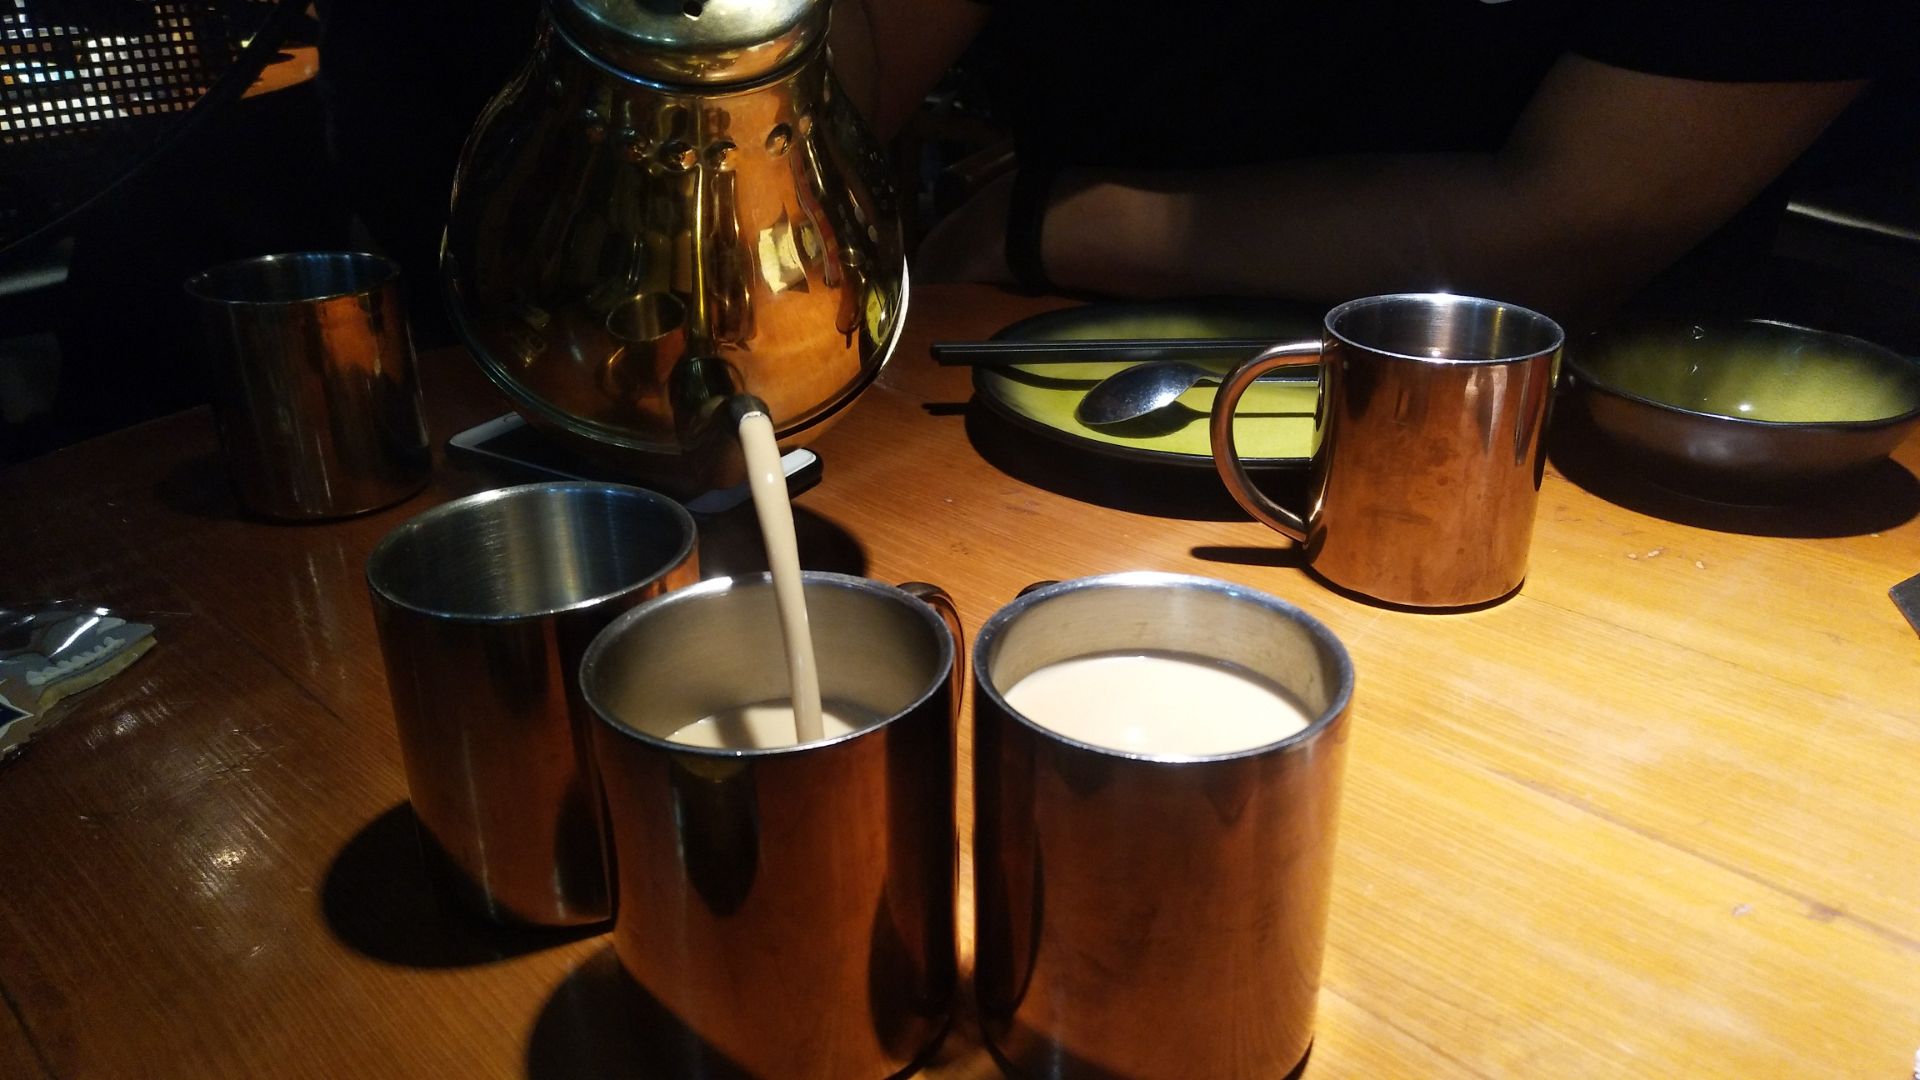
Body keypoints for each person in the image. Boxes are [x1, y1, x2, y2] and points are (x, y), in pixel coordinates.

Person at [831, 0, 1898, 328]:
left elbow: (1572, 230)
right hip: (1034, 373)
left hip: (1579, 447)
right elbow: (833, 86)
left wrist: (1040, 224)